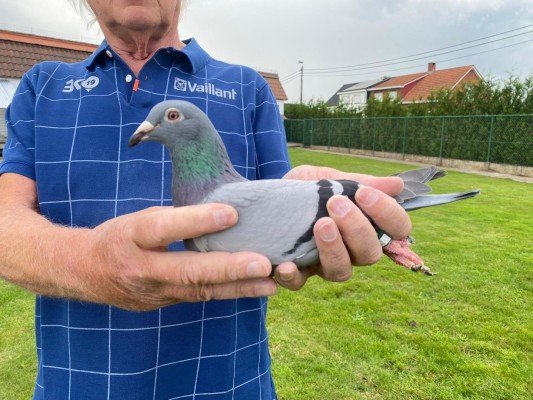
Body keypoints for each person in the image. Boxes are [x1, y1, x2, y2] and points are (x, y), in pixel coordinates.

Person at [0, 1, 411, 398]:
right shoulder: (42, 87)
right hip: (79, 386)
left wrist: (333, 219)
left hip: (229, 384)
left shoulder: (248, 89)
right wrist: (93, 264)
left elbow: (279, 197)